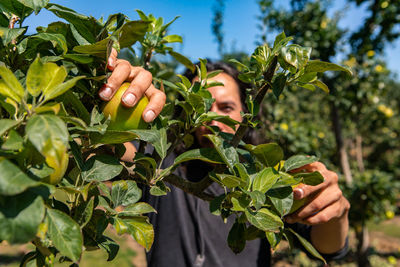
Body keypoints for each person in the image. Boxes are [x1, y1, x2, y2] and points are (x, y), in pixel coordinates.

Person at [99, 50, 350, 266]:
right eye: (202, 108)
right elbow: (110, 147)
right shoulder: (158, 164)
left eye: (226, 108)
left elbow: (329, 247)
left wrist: (334, 213)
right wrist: (110, 90)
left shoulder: (265, 179)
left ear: (246, 115)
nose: (212, 118)